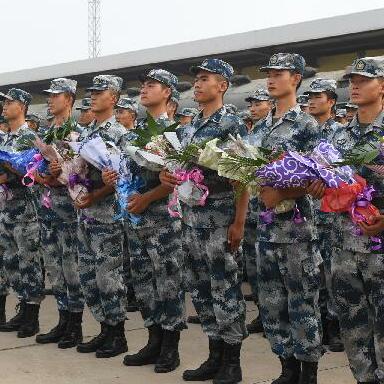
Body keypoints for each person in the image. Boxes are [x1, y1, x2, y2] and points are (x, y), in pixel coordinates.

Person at [160, 58, 249, 384]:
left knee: (224, 289)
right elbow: (175, 166)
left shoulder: (231, 123)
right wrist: (166, 174)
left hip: (220, 218)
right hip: (191, 218)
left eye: (205, 78)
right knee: (200, 290)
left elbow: (243, 176)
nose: (197, 84)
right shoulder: (189, 125)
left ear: (222, 85)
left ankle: (232, 360)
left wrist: (239, 222)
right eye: (196, 79)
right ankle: (214, 355)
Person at [108, 69, 186, 373]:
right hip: (136, 219)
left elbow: (177, 179)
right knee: (143, 282)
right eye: (143, 85)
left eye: (151, 85)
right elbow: (127, 173)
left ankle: (170, 346)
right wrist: (110, 178)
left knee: (168, 282)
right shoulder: (132, 134)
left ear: (167, 92)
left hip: (163, 221)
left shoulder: (174, 133)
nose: (144, 89)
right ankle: (153, 339)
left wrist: (147, 198)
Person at [256, 53, 323, 384]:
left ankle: (308, 371)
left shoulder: (307, 124)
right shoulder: (261, 124)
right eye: (268, 73)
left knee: (303, 302)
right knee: (271, 302)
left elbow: (317, 178)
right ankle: (286, 367)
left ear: (295, 78)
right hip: (266, 227)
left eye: (278, 73)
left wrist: (282, 193)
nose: (270, 78)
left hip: (296, 229)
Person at [331, 56, 384, 384]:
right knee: (353, 330)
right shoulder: (338, 137)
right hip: (343, 248)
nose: (355, 85)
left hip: (380, 249)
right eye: (352, 79)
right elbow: (327, 185)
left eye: (363, 79)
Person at [70, 75, 128, 358]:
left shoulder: (119, 133)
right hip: (86, 214)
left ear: (114, 98)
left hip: (107, 214)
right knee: (89, 275)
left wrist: (94, 194)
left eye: (99, 92)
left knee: (108, 275)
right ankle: (104, 328)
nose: (92, 96)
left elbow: (121, 176)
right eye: (91, 92)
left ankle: (117, 334)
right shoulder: (87, 131)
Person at [34, 78, 85, 349]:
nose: (51, 100)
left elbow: (81, 174)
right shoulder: (47, 131)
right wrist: (43, 174)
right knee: (53, 265)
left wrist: (61, 174)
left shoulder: (76, 132)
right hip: (48, 208)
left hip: (68, 208)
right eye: (50, 96)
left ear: (69, 99)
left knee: (70, 266)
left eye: (56, 95)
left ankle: (75, 324)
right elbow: (40, 167)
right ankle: (63, 319)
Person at [0, 89, 44, 338]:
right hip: (8, 210)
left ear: (23, 106)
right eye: (4, 102)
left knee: (29, 262)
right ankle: (22, 309)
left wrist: (8, 166)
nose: (5, 106)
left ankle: (32, 315)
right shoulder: (6, 138)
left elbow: (27, 172)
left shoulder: (29, 137)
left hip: (27, 210)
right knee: (12, 262)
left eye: (10, 102)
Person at [305, 78, 344, 353]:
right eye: (309, 96)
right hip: (305, 212)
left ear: (331, 101)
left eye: (318, 96)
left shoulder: (338, 133)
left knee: (333, 271)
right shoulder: (303, 130)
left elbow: (344, 173)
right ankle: (317, 324)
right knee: (313, 272)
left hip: (330, 212)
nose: (312, 100)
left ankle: (335, 326)